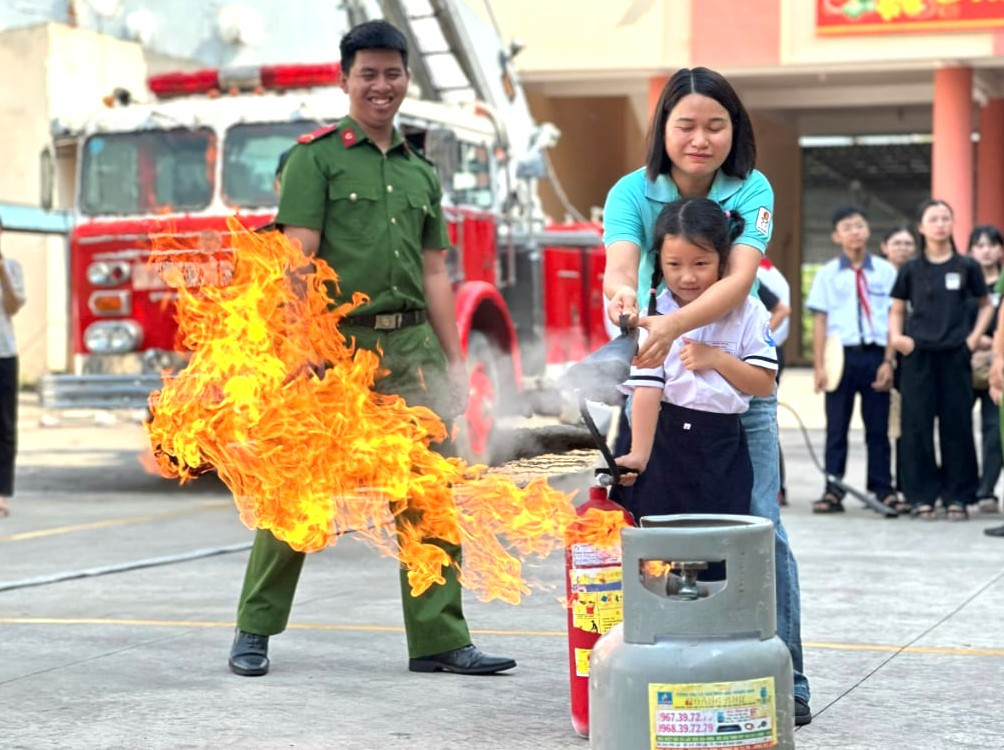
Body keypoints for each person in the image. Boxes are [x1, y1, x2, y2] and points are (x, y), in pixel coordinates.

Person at [228, 20, 515, 678]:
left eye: (392, 73)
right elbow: (294, 261)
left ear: (406, 78)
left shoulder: (420, 172)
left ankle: (440, 639)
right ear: (345, 80)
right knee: (296, 494)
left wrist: (453, 359)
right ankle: (255, 630)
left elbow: (436, 272)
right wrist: (301, 345)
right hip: (337, 354)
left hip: (412, 351)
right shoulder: (316, 158)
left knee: (428, 495)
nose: (381, 86)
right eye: (369, 74)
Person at [601, 66, 812, 725]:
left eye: (715, 125)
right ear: (662, 129)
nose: (699, 138)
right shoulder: (631, 192)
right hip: (662, 378)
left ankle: (789, 676)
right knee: (660, 522)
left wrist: (672, 326)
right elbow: (620, 262)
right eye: (685, 124)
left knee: (761, 528)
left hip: (735, 393)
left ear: (735, 131)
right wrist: (626, 301)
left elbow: (740, 281)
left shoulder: (752, 189)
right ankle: (676, 663)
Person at [614, 198, 777, 524]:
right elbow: (647, 390)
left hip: (723, 444)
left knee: (722, 538)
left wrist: (715, 358)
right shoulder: (653, 314)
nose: (687, 277)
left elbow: (763, 384)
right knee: (659, 542)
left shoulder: (749, 311)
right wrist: (640, 454)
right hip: (666, 439)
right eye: (674, 265)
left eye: (700, 263)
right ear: (660, 262)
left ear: (724, 259)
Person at [889, 199, 993, 520]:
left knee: (957, 425)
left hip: (955, 355)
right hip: (918, 356)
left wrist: (974, 338)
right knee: (917, 426)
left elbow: (986, 304)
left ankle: (957, 496)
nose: (940, 224)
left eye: (945, 218)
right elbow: (896, 308)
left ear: (952, 224)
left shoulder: (967, 267)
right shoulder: (911, 269)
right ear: (921, 226)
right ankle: (921, 496)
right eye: (933, 219)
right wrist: (897, 339)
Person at [805, 206, 899, 514]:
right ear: (836, 236)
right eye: (847, 227)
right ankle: (833, 489)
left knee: (878, 427)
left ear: (868, 230)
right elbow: (820, 321)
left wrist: (889, 361)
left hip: (875, 355)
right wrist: (819, 367)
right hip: (839, 357)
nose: (854, 232)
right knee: (837, 428)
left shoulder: (886, 272)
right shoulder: (827, 274)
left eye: (859, 225)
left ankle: (883, 488)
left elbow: (893, 319)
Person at [967, 225, 1004, 513]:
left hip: (997, 367)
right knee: (958, 429)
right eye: (979, 245)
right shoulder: (963, 282)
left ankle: (986, 489)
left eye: (992, 245)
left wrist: (992, 345)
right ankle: (963, 487)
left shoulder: (1001, 286)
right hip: (964, 365)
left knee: (994, 431)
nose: (986, 250)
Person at [756, 257, 791, 505]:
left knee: (762, 422)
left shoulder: (747, 278)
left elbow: (782, 309)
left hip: (759, 357)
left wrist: (759, 334)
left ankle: (777, 489)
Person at [0, 217, 25, 519]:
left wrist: (3, 273)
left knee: (4, 428)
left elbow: (14, 306)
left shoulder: (13, 267)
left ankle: (2, 493)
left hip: (4, 353)